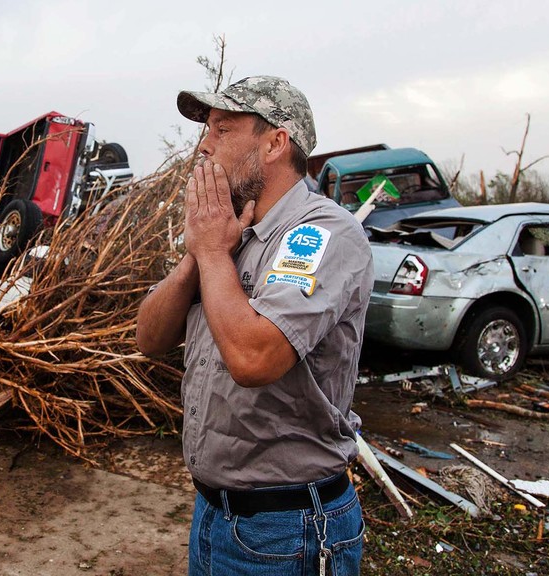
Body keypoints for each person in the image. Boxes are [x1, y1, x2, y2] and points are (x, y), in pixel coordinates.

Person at [135, 76, 374, 575]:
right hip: (213, 515)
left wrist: (210, 252)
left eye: (222, 128)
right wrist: (197, 256)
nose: (205, 144)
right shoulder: (227, 233)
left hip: (287, 529)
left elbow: (254, 357)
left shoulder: (323, 234)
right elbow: (148, 339)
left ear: (274, 143)